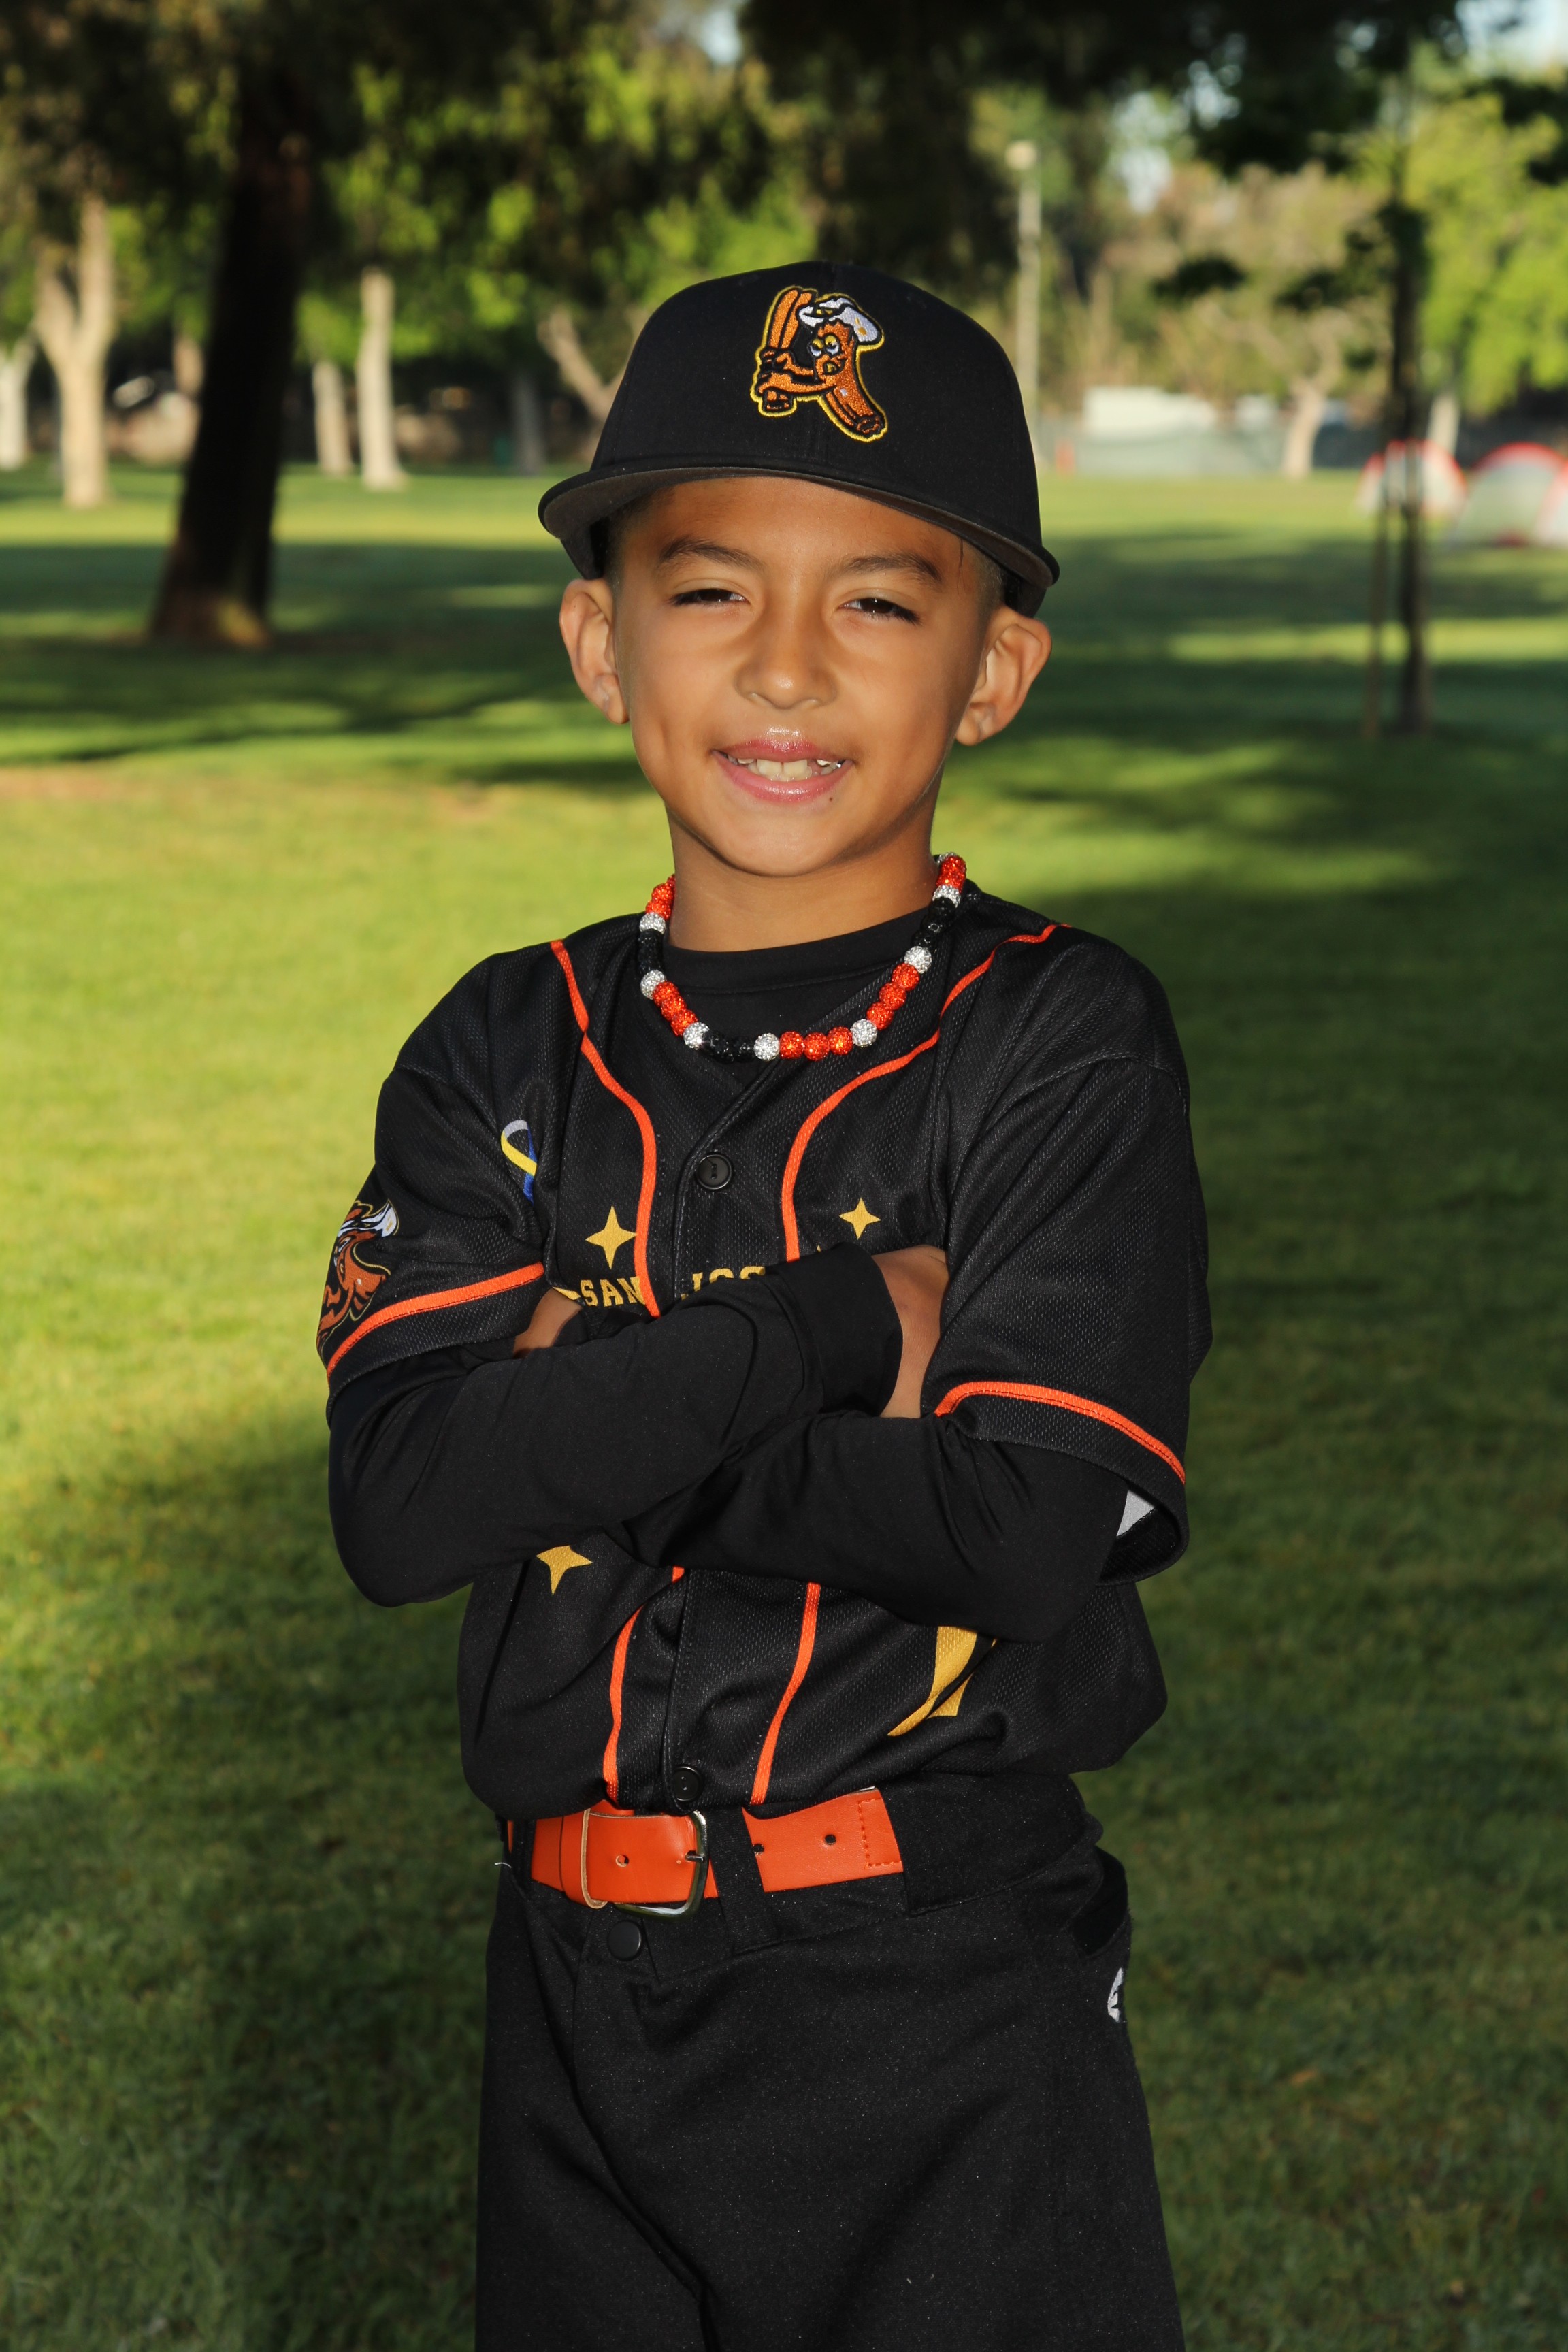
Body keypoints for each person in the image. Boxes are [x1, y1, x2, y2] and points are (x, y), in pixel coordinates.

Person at [320, 263, 1209, 2352]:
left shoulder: (1058, 1040)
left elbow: (1018, 1534)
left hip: (934, 2004)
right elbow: (400, 1505)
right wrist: (820, 1338)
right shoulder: (504, 1043)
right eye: (710, 588)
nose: (786, 667)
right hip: (567, 1995)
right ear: (598, 640)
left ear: (993, 671)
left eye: (881, 603)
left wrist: (579, 1410)